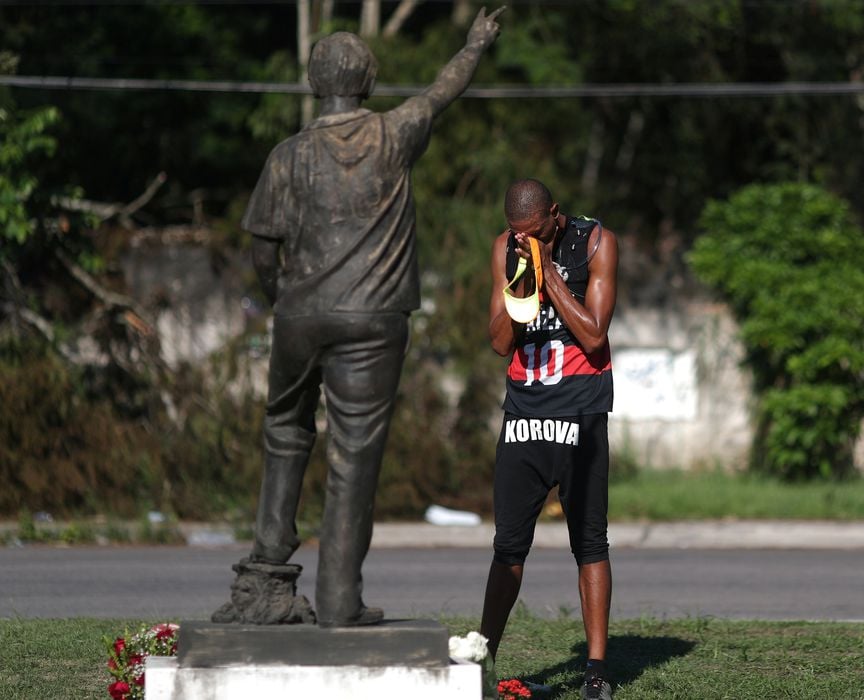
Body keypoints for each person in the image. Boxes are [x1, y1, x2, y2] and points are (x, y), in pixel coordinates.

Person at [237, 9, 504, 628]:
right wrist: (474, 43)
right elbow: (444, 90)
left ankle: (265, 583)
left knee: (284, 432)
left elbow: (260, 244)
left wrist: (285, 297)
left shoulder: (287, 155)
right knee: (353, 456)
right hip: (374, 319)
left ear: (312, 82)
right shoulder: (393, 133)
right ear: (370, 81)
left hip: (299, 315)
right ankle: (338, 599)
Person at [479, 179, 619, 699]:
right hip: (525, 414)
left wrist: (550, 276)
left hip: (581, 413)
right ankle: (482, 661)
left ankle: (597, 670)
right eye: (518, 235)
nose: (523, 242)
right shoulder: (506, 248)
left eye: (533, 234)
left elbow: (594, 333)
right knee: (508, 546)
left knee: (590, 543)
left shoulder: (597, 242)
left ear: (554, 217)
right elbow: (497, 342)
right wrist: (522, 278)